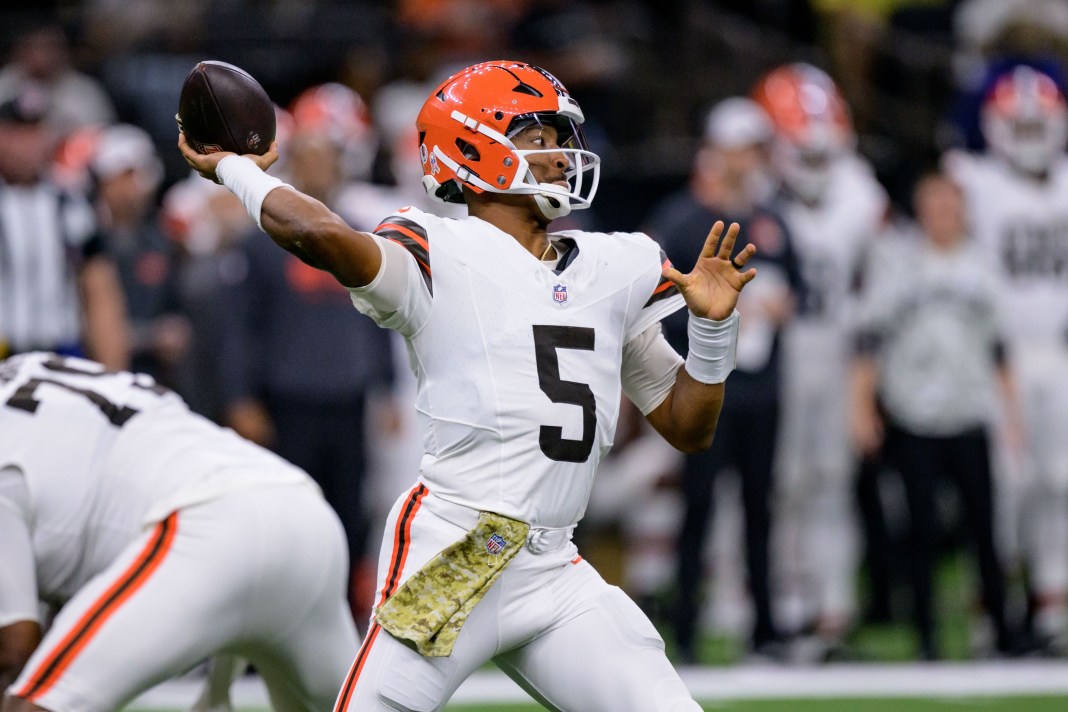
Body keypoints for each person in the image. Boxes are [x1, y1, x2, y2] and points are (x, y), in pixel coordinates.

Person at [180, 59, 756, 711]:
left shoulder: (613, 266)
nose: (562, 154)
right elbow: (319, 233)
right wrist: (237, 169)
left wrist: (712, 333)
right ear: (472, 148)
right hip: (461, 552)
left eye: (563, 137)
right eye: (538, 138)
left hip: (555, 565)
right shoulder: (437, 250)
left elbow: (688, 427)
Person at [0, 351, 359, 712]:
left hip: (204, 527)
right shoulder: (32, 368)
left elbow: (14, 651)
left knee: (37, 701)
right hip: (301, 511)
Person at [216, 89, 397, 626]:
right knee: (287, 517)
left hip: (347, 396)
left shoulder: (353, 234)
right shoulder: (261, 239)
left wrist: (384, 384)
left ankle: (340, 619)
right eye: (311, 159)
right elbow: (238, 328)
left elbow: (379, 311)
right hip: (287, 399)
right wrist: (241, 396)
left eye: (328, 159)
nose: (321, 169)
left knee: (348, 516)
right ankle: (277, 623)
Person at [645, 97, 801, 663]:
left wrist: (779, 309)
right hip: (705, 388)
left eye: (753, 149)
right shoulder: (683, 219)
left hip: (762, 388)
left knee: (761, 509)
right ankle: (685, 629)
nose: (745, 160)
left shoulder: (775, 217)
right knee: (699, 507)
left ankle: (764, 629)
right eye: (738, 149)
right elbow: (653, 296)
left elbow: (798, 289)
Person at [851, 171, 1022, 660]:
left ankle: (1002, 631)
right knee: (920, 531)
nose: (944, 215)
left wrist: (1013, 415)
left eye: (951, 205)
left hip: (969, 414)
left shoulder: (982, 263)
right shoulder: (898, 262)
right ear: (921, 210)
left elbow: (1000, 346)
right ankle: (925, 634)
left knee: (986, 531)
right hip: (914, 417)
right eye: (935, 205)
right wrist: (862, 407)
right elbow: (869, 340)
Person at [753, 62, 889, 654]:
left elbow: (876, 290)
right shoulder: (753, 192)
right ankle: (783, 602)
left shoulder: (861, 195)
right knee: (777, 484)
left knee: (832, 481)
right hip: (775, 358)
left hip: (837, 352)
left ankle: (832, 604)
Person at [944, 63, 1068, 654]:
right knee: (1005, 487)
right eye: (1015, 124)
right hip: (999, 357)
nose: (1027, 134)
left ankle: (1050, 600)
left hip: (1060, 353)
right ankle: (991, 606)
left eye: (1035, 123)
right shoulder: (975, 180)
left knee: (1059, 482)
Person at [0, 88, 129, 370]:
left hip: (61, 353)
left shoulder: (71, 202)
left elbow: (100, 289)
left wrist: (113, 373)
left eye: (35, 132)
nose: (27, 144)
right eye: (16, 132)